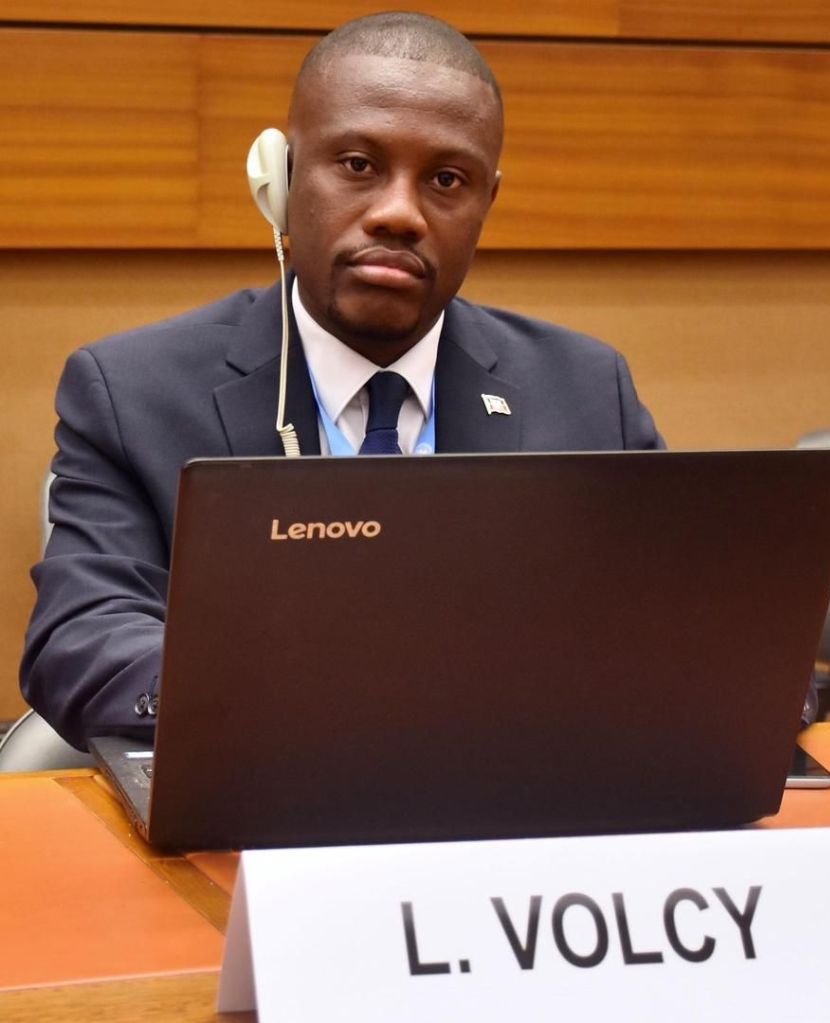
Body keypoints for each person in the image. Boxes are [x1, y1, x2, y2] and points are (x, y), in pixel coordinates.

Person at [21, 12, 666, 750]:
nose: (399, 214)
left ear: (486, 204)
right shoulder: (133, 393)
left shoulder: (588, 391)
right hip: (259, 790)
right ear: (283, 179)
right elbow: (82, 638)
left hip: (521, 796)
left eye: (446, 180)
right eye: (359, 165)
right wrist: (315, 698)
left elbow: (678, 623)